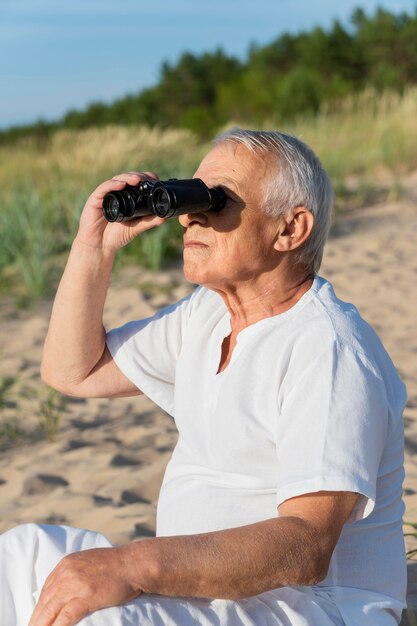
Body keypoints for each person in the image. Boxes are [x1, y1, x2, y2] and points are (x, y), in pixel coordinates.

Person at [0, 129, 407, 626]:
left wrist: (133, 566)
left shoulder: (329, 347)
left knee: (105, 617)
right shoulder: (207, 316)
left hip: (309, 605)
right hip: (199, 588)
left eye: (216, 201)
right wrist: (94, 249)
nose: (190, 214)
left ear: (289, 229)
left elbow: (306, 545)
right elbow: (72, 371)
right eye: (191, 195)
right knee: (19, 557)